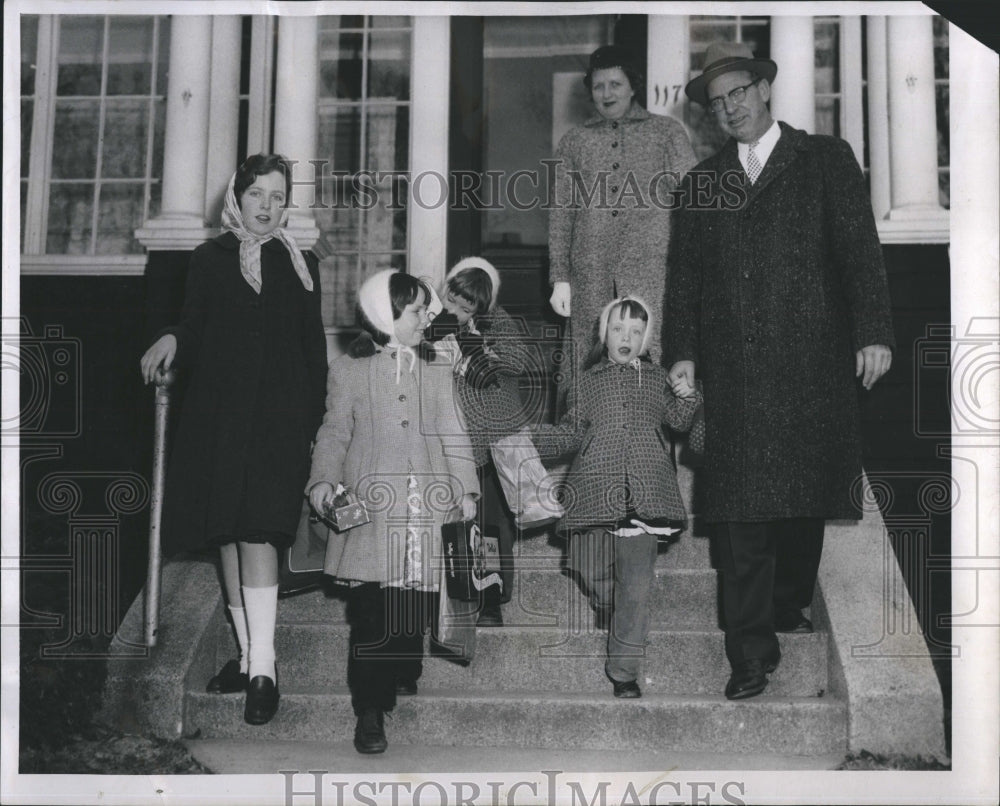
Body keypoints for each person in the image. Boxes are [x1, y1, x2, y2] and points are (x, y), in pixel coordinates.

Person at [664, 42, 895, 701]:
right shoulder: (700, 184)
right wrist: (682, 350)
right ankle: (749, 655)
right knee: (740, 519)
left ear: (765, 89)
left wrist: (874, 332)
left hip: (810, 367)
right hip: (732, 373)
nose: (729, 107)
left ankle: (789, 603)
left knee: (800, 511)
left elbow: (859, 252)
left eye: (738, 92)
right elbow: (684, 280)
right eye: (717, 102)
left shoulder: (824, 160)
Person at [139, 154, 328, 725]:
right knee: (226, 531)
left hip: (278, 419)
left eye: (278, 197)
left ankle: (265, 667)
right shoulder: (209, 258)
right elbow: (194, 323)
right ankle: (247, 657)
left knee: (257, 531)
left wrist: (313, 422)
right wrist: (172, 337)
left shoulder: (302, 263)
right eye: (257, 196)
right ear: (237, 198)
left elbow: (311, 348)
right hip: (219, 416)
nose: (268, 207)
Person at [306, 269, 479, 755]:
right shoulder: (348, 371)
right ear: (388, 316)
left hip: (425, 510)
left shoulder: (437, 370)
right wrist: (322, 481)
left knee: (412, 607)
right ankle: (369, 710)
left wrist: (466, 490)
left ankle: (404, 665)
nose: (430, 316)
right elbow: (335, 431)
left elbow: (454, 434)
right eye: (419, 310)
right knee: (370, 613)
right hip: (370, 512)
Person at [532, 296, 702, 698]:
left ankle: (624, 671)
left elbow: (678, 422)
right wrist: (531, 438)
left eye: (636, 331)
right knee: (588, 567)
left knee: (637, 586)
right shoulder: (586, 382)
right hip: (595, 486)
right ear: (603, 332)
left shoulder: (658, 378)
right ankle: (613, 607)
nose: (627, 337)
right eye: (618, 328)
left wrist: (686, 396)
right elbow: (571, 432)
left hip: (646, 492)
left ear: (646, 338)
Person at [548, 44, 696, 404]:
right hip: (590, 271)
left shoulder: (666, 133)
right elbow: (561, 211)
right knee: (586, 359)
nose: (606, 94)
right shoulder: (575, 141)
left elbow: (693, 203)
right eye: (598, 86)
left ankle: (654, 453)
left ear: (633, 86)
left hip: (652, 269)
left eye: (615, 84)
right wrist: (560, 277)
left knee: (654, 352)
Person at [428, 257, 546, 627]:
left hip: (495, 444)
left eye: (468, 308)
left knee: (492, 528)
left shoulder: (495, 327)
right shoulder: (433, 324)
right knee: (461, 524)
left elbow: (516, 362)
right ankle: (460, 592)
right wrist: (438, 323)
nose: (458, 313)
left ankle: (491, 597)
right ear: (444, 291)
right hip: (457, 445)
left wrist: (481, 329)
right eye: (453, 303)